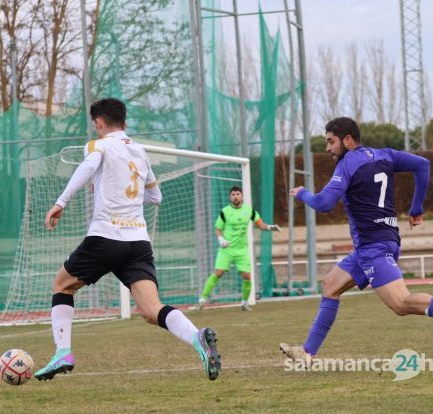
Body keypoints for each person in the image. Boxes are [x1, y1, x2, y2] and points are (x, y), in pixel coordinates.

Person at [34, 98, 221, 381]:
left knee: (62, 285)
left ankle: (63, 352)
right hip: (138, 242)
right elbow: (156, 198)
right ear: (125, 122)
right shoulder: (141, 151)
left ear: (99, 123)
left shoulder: (99, 146)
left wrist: (61, 201)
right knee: (151, 309)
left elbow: (87, 167)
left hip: (106, 236)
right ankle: (197, 338)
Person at [279, 117, 433, 365]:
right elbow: (423, 164)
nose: (328, 148)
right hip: (379, 243)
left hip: (374, 247)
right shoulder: (384, 155)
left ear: (347, 140)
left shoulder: (348, 163)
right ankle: (307, 352)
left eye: (331, 142)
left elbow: (323, 203)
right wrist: (416, 208)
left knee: (400, 304)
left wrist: (303, 193)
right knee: (330, 286)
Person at [196, 186, 281, 312]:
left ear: (241, 196)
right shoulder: (225, 211)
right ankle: (203, 299)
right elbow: (218, 229)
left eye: (237, 194)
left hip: (242, 250)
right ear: (230, 197)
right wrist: (221, 239)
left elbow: (260, 224)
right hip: (227, 249)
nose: (235, 196)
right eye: (233, 194)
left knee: (247, 275)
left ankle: (245, 303)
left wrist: (270, 227)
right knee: (219, 272)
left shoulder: (249, 210)